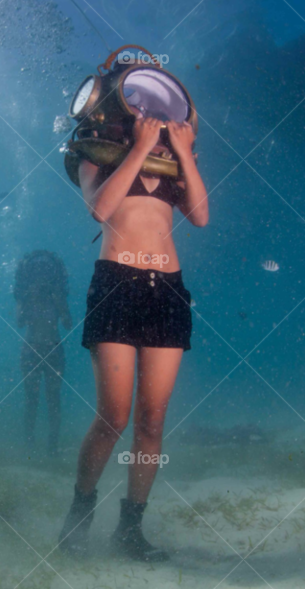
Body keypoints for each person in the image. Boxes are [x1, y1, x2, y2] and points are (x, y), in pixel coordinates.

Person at [58, 114, 208, 562]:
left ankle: (129, 529)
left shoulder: (174, 169)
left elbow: (200, 216)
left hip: (167, 291)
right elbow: (99, 209)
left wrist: (182, 153)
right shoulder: (95, 161)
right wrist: (140, 149)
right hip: (115, 285)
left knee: (152, 422)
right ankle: (78, 515)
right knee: (113, 417)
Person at [14, 250, 72, 456]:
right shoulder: (26, 295)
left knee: (53, 398)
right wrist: (29, 297)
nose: (41, 279)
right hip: (32, 348)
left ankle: (52, 446)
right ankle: (29, 443)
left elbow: (67, 323)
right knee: (32, 398)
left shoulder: (58, 294)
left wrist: (56, 298)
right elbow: (19, 322)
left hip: (53, 349)